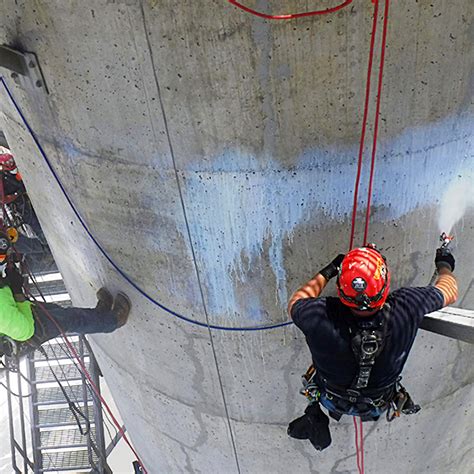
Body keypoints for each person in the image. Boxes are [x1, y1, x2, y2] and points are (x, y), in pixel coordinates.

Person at [287, 243, 457, 451]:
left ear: (340, 290)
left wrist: (330, 270)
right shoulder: (408, 306)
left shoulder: (318, 315)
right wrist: (444, 264)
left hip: (331, 399)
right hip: (377, 403)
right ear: (385, 286)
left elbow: (296, 301)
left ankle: (316, 417)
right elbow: (450, 290)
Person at [0, 263, 131, 358]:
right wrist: (17, 291)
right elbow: (25, 330)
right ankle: (114, 320)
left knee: (63, 312)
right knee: (72, 319)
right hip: (29, 326)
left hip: (15, 310)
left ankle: (101, 313)